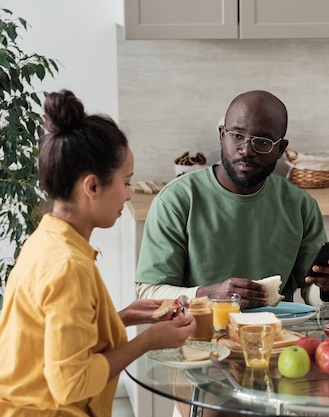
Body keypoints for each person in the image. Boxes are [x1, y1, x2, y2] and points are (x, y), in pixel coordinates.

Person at [0, 90, 196, 416]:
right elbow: (71, 383)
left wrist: (125, 317)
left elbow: (60, 343)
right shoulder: (67, 266)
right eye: (127, 182)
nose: (130, 195)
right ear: (92, 187)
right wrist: (146, 342)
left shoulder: (46, 240)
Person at [135, 90, 329, 308]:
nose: (246, 150)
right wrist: (209, 294)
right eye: (237, 135)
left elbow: (313, 294)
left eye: (262, 141)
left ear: (281, 149)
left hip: (279, 336)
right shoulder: (176, 200)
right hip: (197, 337)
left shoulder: (300, 205)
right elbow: (150, 293)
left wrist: (328, 289)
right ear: (221, 135)